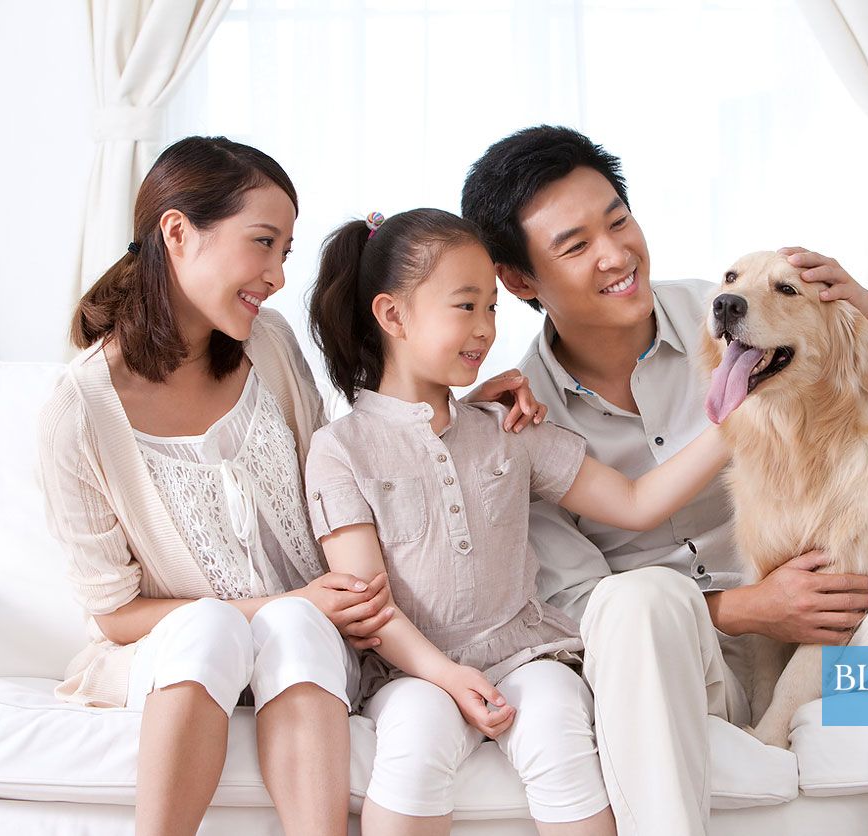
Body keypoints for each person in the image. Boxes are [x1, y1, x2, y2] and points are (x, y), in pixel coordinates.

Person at [460, 125, 868, 836]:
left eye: (619, 221)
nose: (615, 254)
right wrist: (747, 608)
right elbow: (570, 610)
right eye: (575, 245)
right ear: (519, 280)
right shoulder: (517, 419)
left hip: (834, 643)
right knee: (638, 598)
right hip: (684, 665)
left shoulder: (741, 305)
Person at [38, 137, 538, 836]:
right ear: (177, 232)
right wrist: (278, 601)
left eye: (285, 252)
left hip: (309, 636)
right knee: (214, 622)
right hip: (178, 654)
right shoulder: (80, 412)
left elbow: (346, 462)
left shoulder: (266, 345)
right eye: (262, 243)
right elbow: (115, 615)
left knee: (295, 622)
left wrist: (454, 415)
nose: (275, 275)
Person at [304, 207, 734, 836]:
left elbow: (637, 501)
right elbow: (369, 607)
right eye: (465, 306)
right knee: (418, 732)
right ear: (392, 316)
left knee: (559, 712)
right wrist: (448, 677)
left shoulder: (508, 430)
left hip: (526, 652)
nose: (484, 329)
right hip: (411, 668)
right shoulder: (341, 449)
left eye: (491, 310)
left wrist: (737, 420)